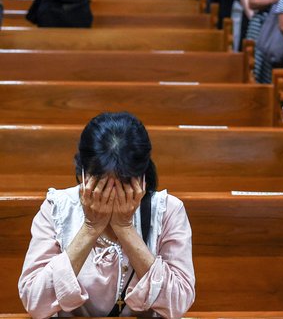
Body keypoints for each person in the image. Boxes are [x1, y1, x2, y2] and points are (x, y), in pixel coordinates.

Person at [19, 112, 195, 318]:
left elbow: (179, 303)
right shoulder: (57, 208)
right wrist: (90, 228)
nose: (112, 196)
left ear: (142, 177)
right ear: (83, 173)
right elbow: (34, 301)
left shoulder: (167, 210)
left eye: (123, 184)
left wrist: (125, 229)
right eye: (102, 185)